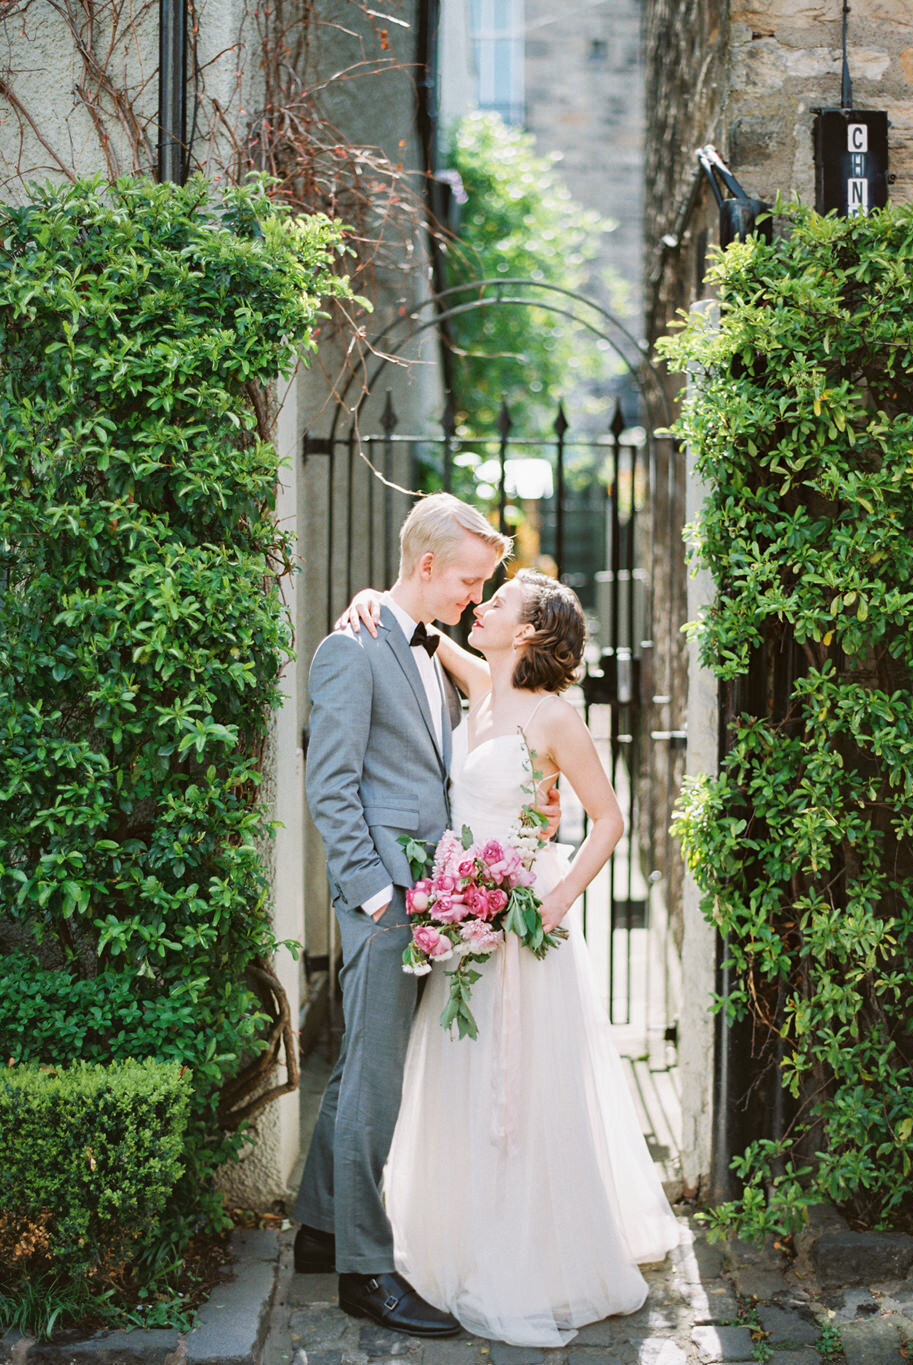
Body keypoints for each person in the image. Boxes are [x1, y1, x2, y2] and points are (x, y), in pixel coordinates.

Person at [341, 568, 679, 1347]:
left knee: (520, 1091)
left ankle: (531, 1251)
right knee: (459, 1076)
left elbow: (608, 820)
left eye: (496, 603)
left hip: (524, 921)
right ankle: (459, 1239)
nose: (479, 606)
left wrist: (553, 903)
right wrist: (370, 602)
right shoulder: (481, 687)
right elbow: (415, 629)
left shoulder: (556, 717)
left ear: (526, 631)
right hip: (466, 919)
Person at [293, 493, 563, 1338]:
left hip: (426, 893)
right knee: (378, 1079)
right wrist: (377, 895)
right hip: (386, 899)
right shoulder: (352, 649)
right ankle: (365, 1274)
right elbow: (331, 786)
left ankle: (319, 1229)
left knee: (361, 1067)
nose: (476, 598)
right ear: (424, 567)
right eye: (469, 580)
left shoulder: (419, 647)